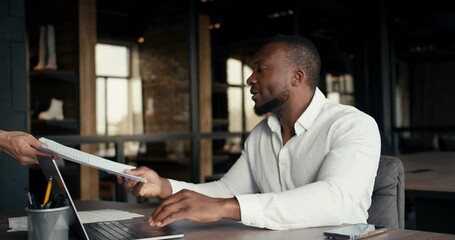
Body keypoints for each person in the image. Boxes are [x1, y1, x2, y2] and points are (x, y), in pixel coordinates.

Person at [121, 35, 381, 230]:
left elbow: (335, 200)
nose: (249, 79)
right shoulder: (261, 134)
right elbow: (226, 189)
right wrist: (164, 187)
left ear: (296, 77)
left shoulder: (353, 125)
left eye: (261, 69)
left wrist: (228, 207)